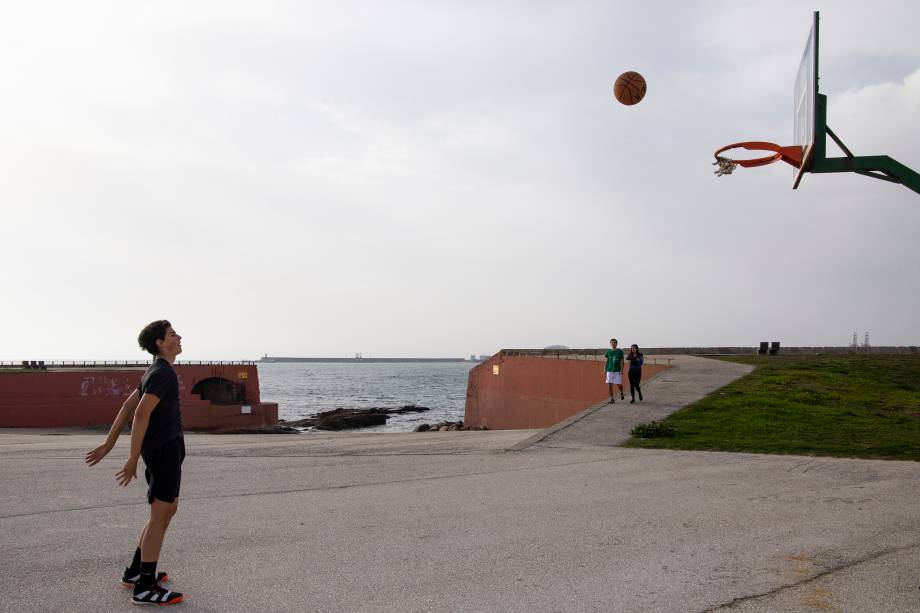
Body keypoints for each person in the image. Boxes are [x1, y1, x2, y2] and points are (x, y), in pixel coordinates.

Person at [85, 320, 185, 606]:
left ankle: (135, 572)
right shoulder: (162, 373)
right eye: (172, 334)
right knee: (160, 517)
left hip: (162, 451)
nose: (178, 337)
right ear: (160, 344)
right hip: (163, 451)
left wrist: (109, 443)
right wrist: (130, 457)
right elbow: (140, 414)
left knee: (165, 512)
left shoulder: (155, 371)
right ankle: (146, 586)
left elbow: (128, 406)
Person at [603, 338, 625, 403]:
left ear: (616, 343)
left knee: (619, 384)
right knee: (609, 384)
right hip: (609, 370)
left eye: (614, 342)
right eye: (612, 343)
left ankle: (621, 392)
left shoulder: (620, 351)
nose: (613, 344)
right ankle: (612, 399)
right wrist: (604, 369)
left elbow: (622, 361)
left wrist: (621, 369)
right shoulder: (608, 352)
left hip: (617, 370)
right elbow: (606, 361)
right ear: (610, 344)